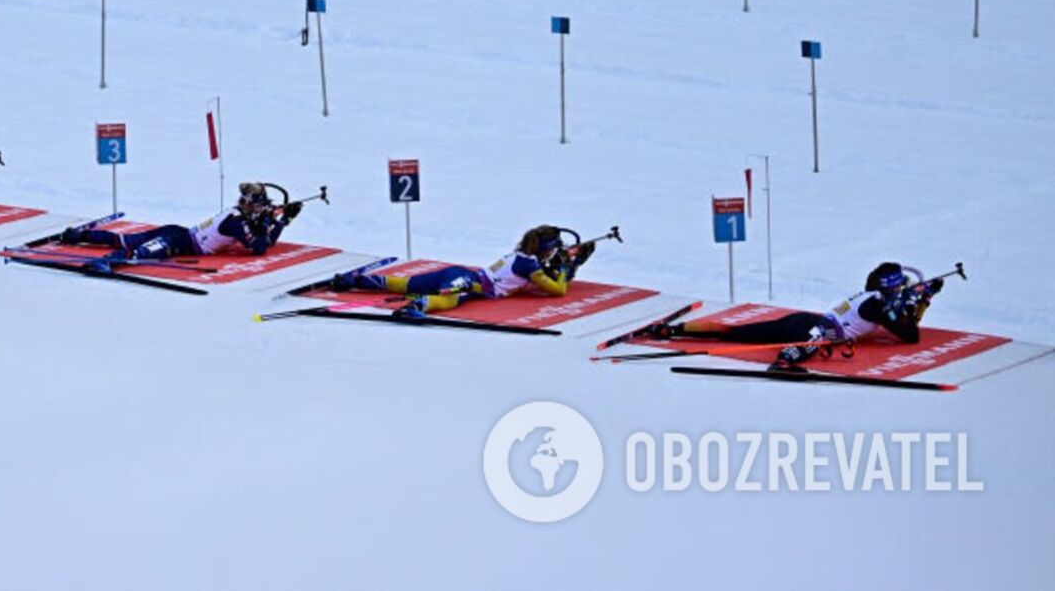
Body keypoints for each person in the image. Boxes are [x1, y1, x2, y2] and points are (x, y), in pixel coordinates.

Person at [647, 261, 944, 365]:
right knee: (805, 347)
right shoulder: (879, 306)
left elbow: (903, 324)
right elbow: (909, 335)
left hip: (806, 320)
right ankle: (785, 361)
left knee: (739, 332)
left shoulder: (871, 297)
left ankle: (674, 330)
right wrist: (923, 301)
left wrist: (915, 302)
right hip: (816, 330)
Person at [328, 224, 596, 317]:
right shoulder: (530, 265)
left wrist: (567, 265)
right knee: (450, 299)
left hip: (463, 273)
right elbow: (557, 290)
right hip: (471, 283)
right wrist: (567, 266)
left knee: (407, 283)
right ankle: (415, 308)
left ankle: (355, 280)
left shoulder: (523, 255)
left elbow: (547, 277)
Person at [60, 181, 301, 262]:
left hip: (183, 235)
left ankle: (79, 236)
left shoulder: (241, 217)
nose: (258, 207)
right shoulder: (236, 220)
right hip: (183, 240)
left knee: (124, 240)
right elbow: (259, 247)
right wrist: (276, 222)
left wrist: (278, 219)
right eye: (255, 203)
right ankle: (98, 251)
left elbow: (261, 238)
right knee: (137, 248)